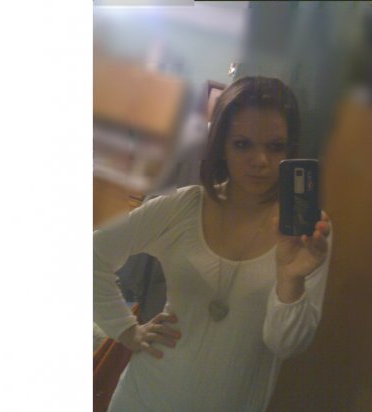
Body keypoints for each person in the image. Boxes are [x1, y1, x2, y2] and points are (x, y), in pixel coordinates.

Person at [94, 76, 332, 411]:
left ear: (290, 149)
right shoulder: (182, 207)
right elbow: (93, 255)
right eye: (243, 144)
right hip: (143, 396)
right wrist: (126, 330)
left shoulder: (308, 234)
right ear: (221, 145)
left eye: (275, 146)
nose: (261, 160)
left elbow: (286, 345)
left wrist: (290, 279)